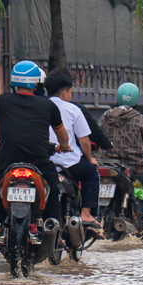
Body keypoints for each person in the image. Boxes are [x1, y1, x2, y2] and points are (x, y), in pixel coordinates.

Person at [0, 60, 71, 242]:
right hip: (39, 163)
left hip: (8, 162)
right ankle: (53, 230)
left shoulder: (0, 101)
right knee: (54, 189)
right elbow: (63, 136)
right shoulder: (47, 105)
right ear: (35, 84)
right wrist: (64, 146)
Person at [99, 82, 143, 225]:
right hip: (135, 166)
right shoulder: (141, 120)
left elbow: (98, 135)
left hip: (108, 164)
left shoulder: (106, 116)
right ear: (136, 101)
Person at [45, 69, 100, 226]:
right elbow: (84, 141)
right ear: (64, 93)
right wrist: (90, 159)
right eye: (70, 92)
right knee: (91, 174)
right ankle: (86, 214)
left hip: (45, 161)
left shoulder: (40, 106)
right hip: (70, 163)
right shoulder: (73, 109)